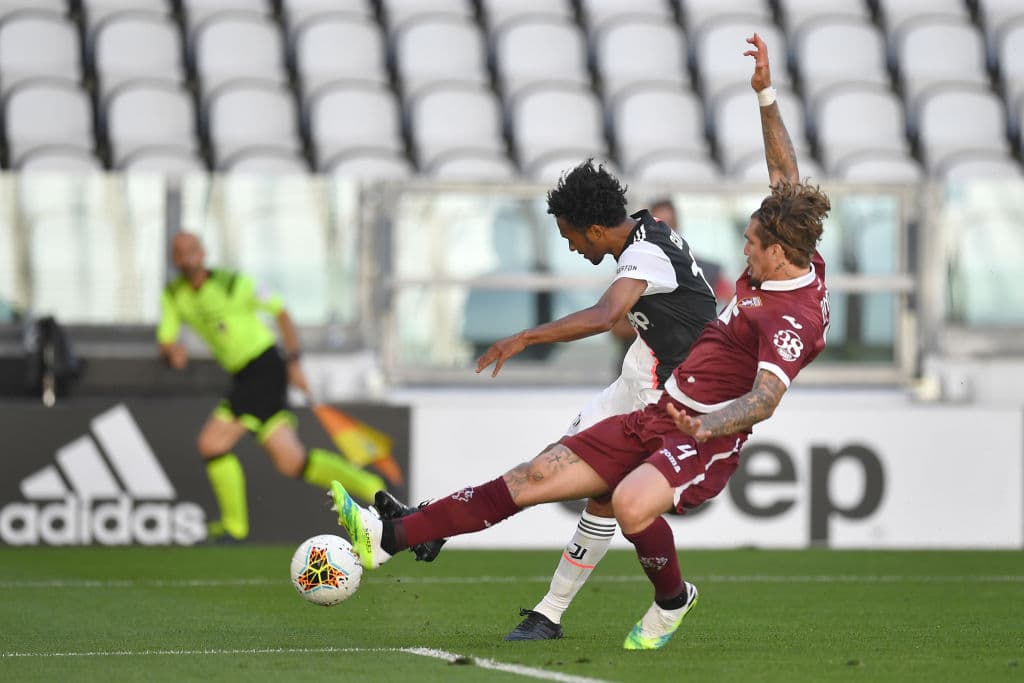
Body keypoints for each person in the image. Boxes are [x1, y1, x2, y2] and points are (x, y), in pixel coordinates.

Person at [330, 32, 830, 650]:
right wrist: (766, 94)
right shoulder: (775, 245)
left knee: (612, 500)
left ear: (777, 250)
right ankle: (402, 535)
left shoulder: (780, 311)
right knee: (544, 472)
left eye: (752, 242)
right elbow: (785, 176)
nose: (742, 249)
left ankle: (581, 606)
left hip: (680, 400)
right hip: (653, 380)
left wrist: (526, 337)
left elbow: (619, 320)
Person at [157, 231, 386, 542]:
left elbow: (281, 311)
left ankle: (234, 527)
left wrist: (294, 362)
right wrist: (172, 352)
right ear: (174, 258)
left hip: (265, 367)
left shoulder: (232, 283)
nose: (186, 257)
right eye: (179, 252)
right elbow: (166, 339)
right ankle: (373, 486)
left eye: (191, 250)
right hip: (243, 376)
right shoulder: (173, 294)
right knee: (292, 462)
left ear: (203, 252)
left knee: (210, 444)